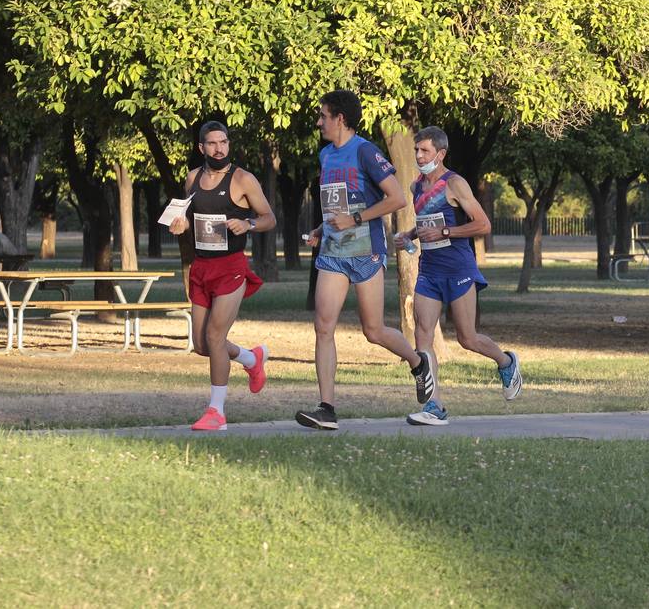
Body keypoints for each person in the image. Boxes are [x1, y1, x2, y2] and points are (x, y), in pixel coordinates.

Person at [296, 90, 432, 431]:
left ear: (340, 118)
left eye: (323, 115)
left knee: (372, 330)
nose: (318, 122)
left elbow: (398, 198)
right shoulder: (326, 155)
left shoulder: (366, 151)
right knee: (323, 326)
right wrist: (319, 228)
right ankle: (326, 408)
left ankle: (418, 363)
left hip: (366, 252)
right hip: (332, 253)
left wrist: (355, 220)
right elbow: (335, 206)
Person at [397, 126, 521, 425]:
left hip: (459, 268)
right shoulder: (416, 187)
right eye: (416, 150)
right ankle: (433, 406)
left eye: (424, 151)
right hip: (430, 269)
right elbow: (428, 220)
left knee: (467, 337)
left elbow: (483, 224)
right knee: (422, 333)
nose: (418, 155)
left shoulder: (455, 184)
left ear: (440, 154)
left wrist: (446, 231)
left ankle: (506, 361)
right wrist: (411, 235)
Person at [168, 121, 275, 431]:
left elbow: (269, 217)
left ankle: (217, 412)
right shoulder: (192, 179)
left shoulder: (242, 179)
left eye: (224, 142)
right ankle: (251, 359)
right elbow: (188, 219)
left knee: (215, 336)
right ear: (201, 148)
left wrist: (249, 225)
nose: (219, 148)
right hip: (201, 268)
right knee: (202, 345)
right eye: (212, 144)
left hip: (231, 267)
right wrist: (181, 226)